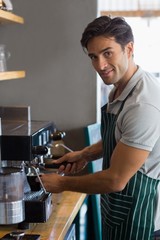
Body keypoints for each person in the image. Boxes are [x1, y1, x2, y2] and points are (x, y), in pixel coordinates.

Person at [40, 16, 160, 240]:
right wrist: (85, 154)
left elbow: (115, 180)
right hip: (120, 211)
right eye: (93, 57)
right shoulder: (120, 89)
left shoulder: (142, 104)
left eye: (108, 53)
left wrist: (62, 184)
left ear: (129, 48)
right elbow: (121, 138)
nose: (100, 65)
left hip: (142, 223)